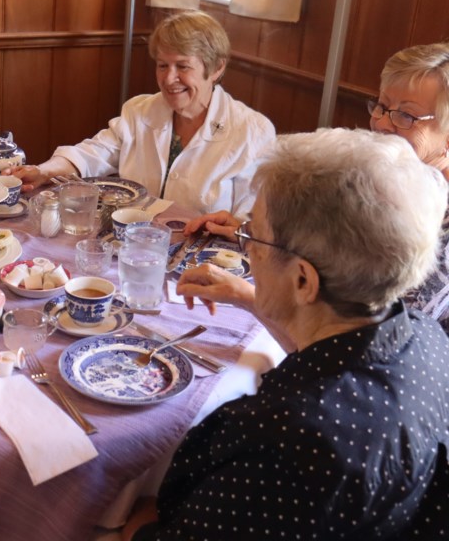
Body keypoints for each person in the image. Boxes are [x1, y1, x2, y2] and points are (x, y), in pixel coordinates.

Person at [123, 128, 449, 539]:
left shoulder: (286, 444)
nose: (247, 249)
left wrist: (136, 523)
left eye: (253, 236)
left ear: (303, 280)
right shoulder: (423, 337)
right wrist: (251, 298)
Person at [185, 42, 449, 329]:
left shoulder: (441, 236)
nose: (383, 124)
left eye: (407, 115)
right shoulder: (388, 180)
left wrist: (246, 295)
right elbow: (338, 261)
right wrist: (253, 234)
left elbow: (370, 336)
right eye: (383, 106)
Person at [3, 10, 275, 217]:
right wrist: (43, 171)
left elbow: (252, 221)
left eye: (182, 67)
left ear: (216, 68)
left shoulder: (252, 131)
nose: (169, 79)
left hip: (201, 264)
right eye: (162, 65)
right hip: (130, 247)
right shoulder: (140, 110)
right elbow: (94, 153)